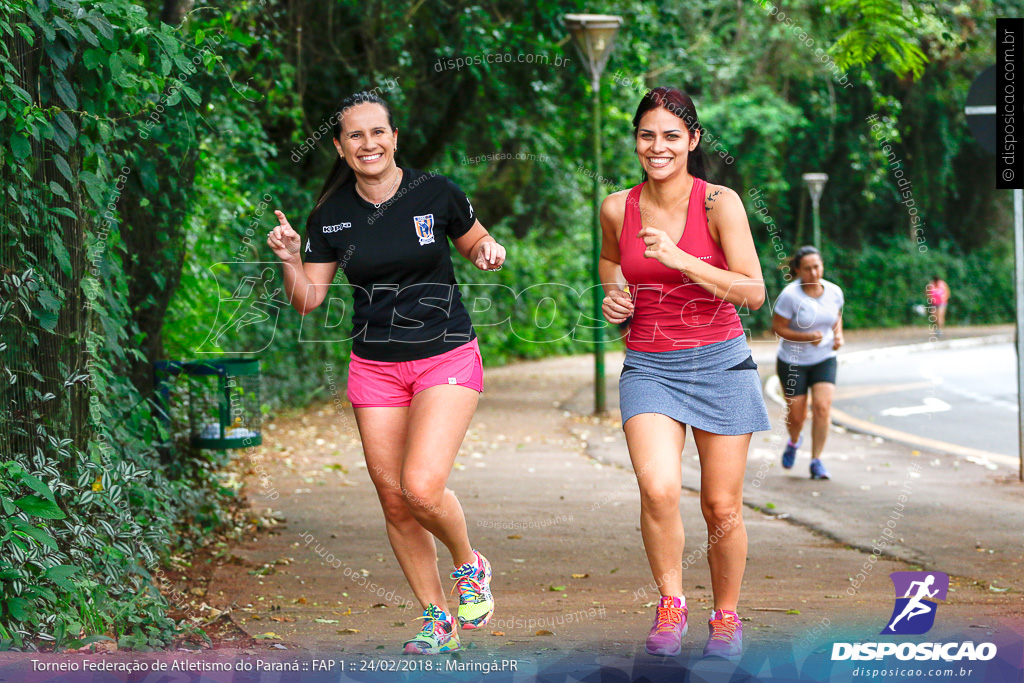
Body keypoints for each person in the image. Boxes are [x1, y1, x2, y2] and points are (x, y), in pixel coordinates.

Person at [266, 91, 506, 655]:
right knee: (394, 499)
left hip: (445, 353)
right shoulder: (330, 215)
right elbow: (309, 300)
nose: (368, 143)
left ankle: (469, 565)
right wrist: (288, 259)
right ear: (340, 147)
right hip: (374, 366)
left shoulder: (437, 193)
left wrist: (489, 250)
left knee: (421, 487)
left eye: (378, 132)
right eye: (355, 135)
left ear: (394, 137)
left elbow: (476, 242)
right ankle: (435, 617)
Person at [599, 86, 770, 661]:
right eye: (647, 135)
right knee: (658, 487)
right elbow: (610, 259)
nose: (658, 146)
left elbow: (753, 290)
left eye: (672, 135)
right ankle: (671, 604)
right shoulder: (616, 207)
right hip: (649, 365)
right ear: (636, 141)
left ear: (693, 140)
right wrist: (614, 294)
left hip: (721, 362)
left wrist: (680, 258)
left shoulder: (720, 203)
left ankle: (726, 617)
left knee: (721, 505)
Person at [771, 246, 845, 480]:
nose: (814, 272)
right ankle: (794, 441)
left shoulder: (834, 291)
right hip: (793, 362)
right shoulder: (791, 295)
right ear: (798, 270)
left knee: (823, 408)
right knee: (797, 416)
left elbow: (836, 316)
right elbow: (778, 327)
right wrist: (806, 337)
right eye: (808, 268)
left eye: (817, 267)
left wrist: (839, 335)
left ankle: (816, 461)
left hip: (824, 358)